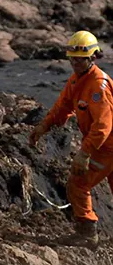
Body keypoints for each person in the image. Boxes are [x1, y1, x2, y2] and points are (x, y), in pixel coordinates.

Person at [29, 30, 113, 249]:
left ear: (92, 58)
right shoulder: (77, 80)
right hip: (104, 145)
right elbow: (63, 106)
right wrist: (43, 126)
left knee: (78, 182)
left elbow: (103, 126)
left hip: (107, 146)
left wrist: (84, 153)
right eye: (72, 59)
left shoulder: (98, 86)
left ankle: (87, 233)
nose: (75, 63)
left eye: (80, 59)